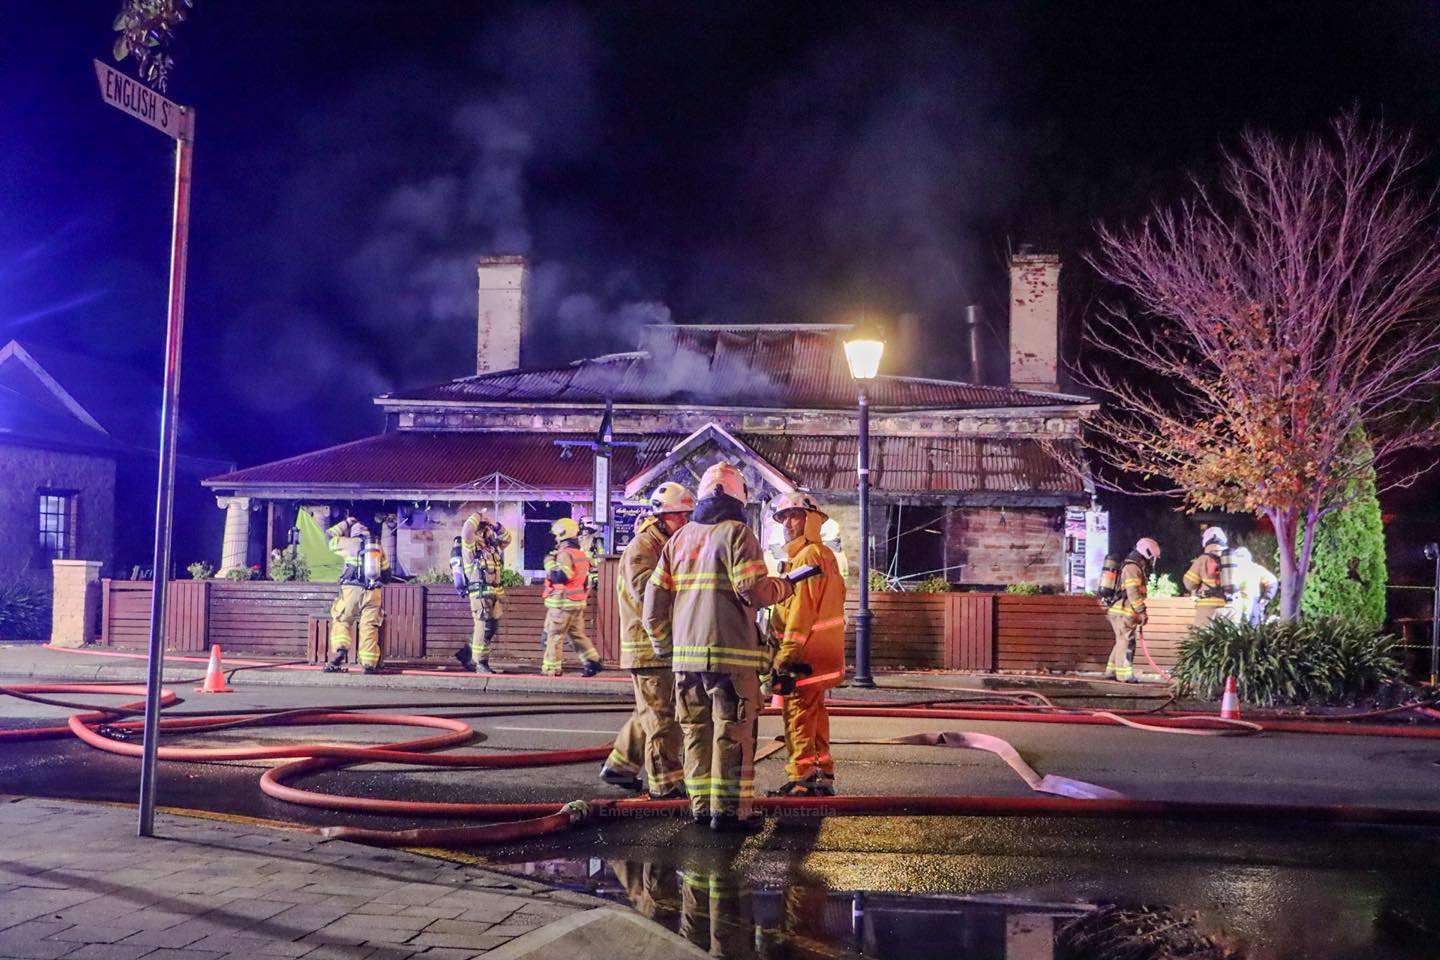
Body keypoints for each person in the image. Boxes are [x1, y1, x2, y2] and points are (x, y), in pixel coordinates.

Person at [643, 462, 793, 832]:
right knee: (732, 732)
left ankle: (700, 807)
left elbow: (653, 604)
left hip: (685, 661)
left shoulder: (678, 540)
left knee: (695, 732)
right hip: (731, 658)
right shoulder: (738, 534)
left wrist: (666, 648)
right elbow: (753, 591)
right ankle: (728, 812)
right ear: (738, 496)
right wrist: (784, 586)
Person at [598, 482, 694, 798]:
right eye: (681, 516)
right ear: (662, 516)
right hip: (648, 647)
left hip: (663, 645)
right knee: (663, 718)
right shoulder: (644, 547)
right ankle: (665, 783)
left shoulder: (667, 544)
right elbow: (649, 596)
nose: (687, 522)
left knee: (651, 711)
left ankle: (620, 766)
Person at [765, 492, 846, 797]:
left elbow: (801, 613)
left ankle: (802, 779)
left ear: (811, 520)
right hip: (821, 653)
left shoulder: (808, 557)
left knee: (798, 714)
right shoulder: (823, 556)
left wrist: (785, 656)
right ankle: (822, 773)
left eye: (795, 515)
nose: (788, 522)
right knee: (815, 714)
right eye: (783, 517)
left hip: (804, 655)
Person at [322, 514, 389, 674]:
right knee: (369, 626)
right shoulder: (377, 547)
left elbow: (328, 536)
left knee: (342, 619)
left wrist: (346, 522)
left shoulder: (347, 543)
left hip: (351, 590)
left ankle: (340, 649)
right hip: (373, 591)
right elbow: (387, 575)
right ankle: (368, 664)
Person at [541, 517, 604, 677]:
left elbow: (561, 576)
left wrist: (549, 563)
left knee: (554, 636)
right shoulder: (580, 553)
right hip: (576, 603)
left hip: (563, 604)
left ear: (562, 534)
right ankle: (592, 661)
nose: (555, 538)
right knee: (577, 635)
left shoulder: (564, 554)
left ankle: (551, 668)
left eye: (556, 535)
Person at [453, 507, 512, 674]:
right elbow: (467, 530)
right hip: (479, 594)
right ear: (479, 530)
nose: (488, 531)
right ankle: (480, 663)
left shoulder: (492, 547)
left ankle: (467, 654)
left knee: (491, 627)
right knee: (483, 626)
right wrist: (478, 515)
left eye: (488, 528)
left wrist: (495, 525)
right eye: (485, 528)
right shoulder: (471, 546)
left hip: (494, 594)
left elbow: (508, 538)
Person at [1106, 537, 1159, 683]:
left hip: (1119, 609)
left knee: (1121, 640)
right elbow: (1133, 592)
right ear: (1146, 553)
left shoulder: (1131, 566)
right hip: (1124, 611)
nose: (1152, 561)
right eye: (1152, 557)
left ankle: (1111, 671)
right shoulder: (1132, 568)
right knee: (1126, 641)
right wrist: (1141, 611)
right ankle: (1124, 675)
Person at [1184, 526, 1231, 628]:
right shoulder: (1232, 559)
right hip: (1229, 607)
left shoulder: (1203, 559)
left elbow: (1189, 584)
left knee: (1204, 641)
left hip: (1207, 608)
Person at [1229, 546, 1278, 625]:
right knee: (1253, 632)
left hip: (1237, 603)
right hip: (1251, 604)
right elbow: (1272, 581)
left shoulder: (1232, 569)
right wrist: (1266, 597)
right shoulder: (1256, 568)